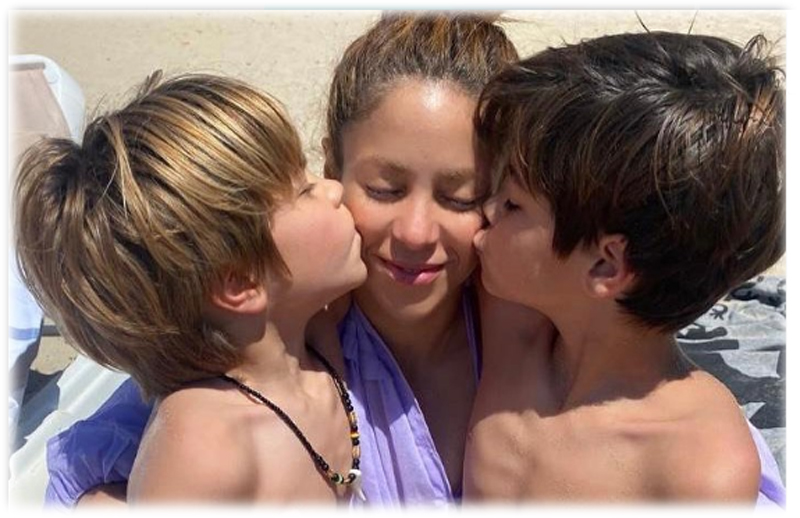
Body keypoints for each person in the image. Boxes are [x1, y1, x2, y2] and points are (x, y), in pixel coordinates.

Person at [41, 13, 519, 507]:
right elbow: (80, 470)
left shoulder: (526, 324)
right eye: (384, 189)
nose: (415, 233)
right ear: (333, 167)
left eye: (461, 198)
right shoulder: (291, 330)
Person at [15, 72, 368, 502]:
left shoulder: (318, 333)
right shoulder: (203, 452)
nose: (334, 190)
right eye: (305, 190)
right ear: (239, 282)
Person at [465, 31, 785, 505]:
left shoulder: (697, 469)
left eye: (512, 203)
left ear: (605, 265)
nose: (485, 210)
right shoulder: (512, 325)